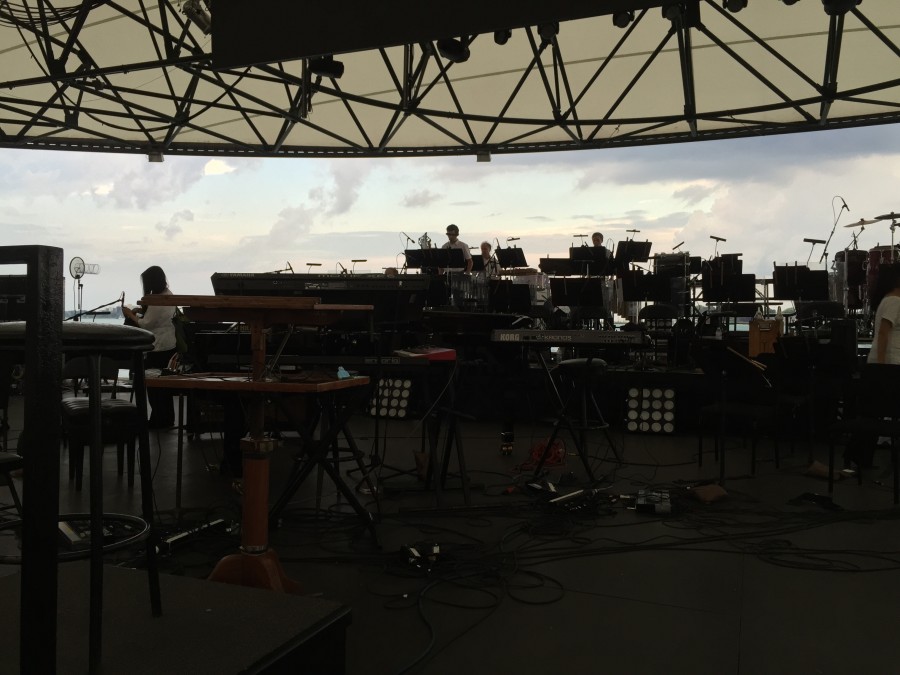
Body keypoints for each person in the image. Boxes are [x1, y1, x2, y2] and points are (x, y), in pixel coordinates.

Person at [121, 265, 176, 428]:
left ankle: (158, 420)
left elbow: (146, 324)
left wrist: (130, 314)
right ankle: (166, 419)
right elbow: (154, 319)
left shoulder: (158, 300)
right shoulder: (168, 294)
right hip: (168, 343)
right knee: (164, 387)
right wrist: (140, 311)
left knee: (154, 386)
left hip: (157, 346)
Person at [867, 264, 900, 364]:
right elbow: (883, 333)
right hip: (890, 362)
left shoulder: (891, 299)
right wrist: (881, 365)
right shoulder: (894, 301)